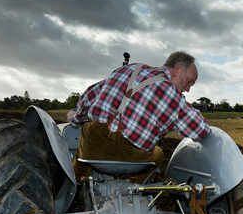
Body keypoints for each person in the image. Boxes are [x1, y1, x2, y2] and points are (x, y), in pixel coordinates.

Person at [68, 51, 210, 174]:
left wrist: (75, 119)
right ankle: (140, 191)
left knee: (83, 149)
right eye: (189, 82)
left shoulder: (129, 69)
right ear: (177, 70)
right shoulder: (172, 94)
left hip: (92, 145)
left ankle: (77, 181)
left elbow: (89, 96)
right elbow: (200, 130)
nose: (188, 89)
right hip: (130, 154)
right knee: (159, 154)